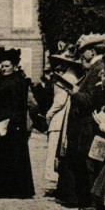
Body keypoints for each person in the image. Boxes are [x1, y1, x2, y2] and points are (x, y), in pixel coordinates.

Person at [57, 33, 105, 209]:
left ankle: (92, 202)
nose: (81, 55)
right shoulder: (94, 68)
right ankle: (87, 201)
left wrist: (74, 93)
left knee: (90, 164)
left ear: (92, 51)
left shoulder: (98, 68)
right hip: (85, 125)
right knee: (86, 163)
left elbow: (90, 100)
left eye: (83, 51)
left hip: (89, 124)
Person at [0, 48, 35, 198]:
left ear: (14, 66)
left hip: (13, 124)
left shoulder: (19, 81)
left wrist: (12, 122)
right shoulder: (1, 79)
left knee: (14, 156)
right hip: (1, 123)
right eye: (2, 66)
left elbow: (19, 105)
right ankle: (3, 188)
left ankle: (16, 189)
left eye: (7, 66)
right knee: (3, 156)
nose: (4, 69)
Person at [44, 46, 81, 186]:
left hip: (60, 117)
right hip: (66, 116)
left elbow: (59, 101)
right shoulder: (76, 75)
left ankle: (55, 179)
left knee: (55, 149)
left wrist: (49, 114)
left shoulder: (65, 78)